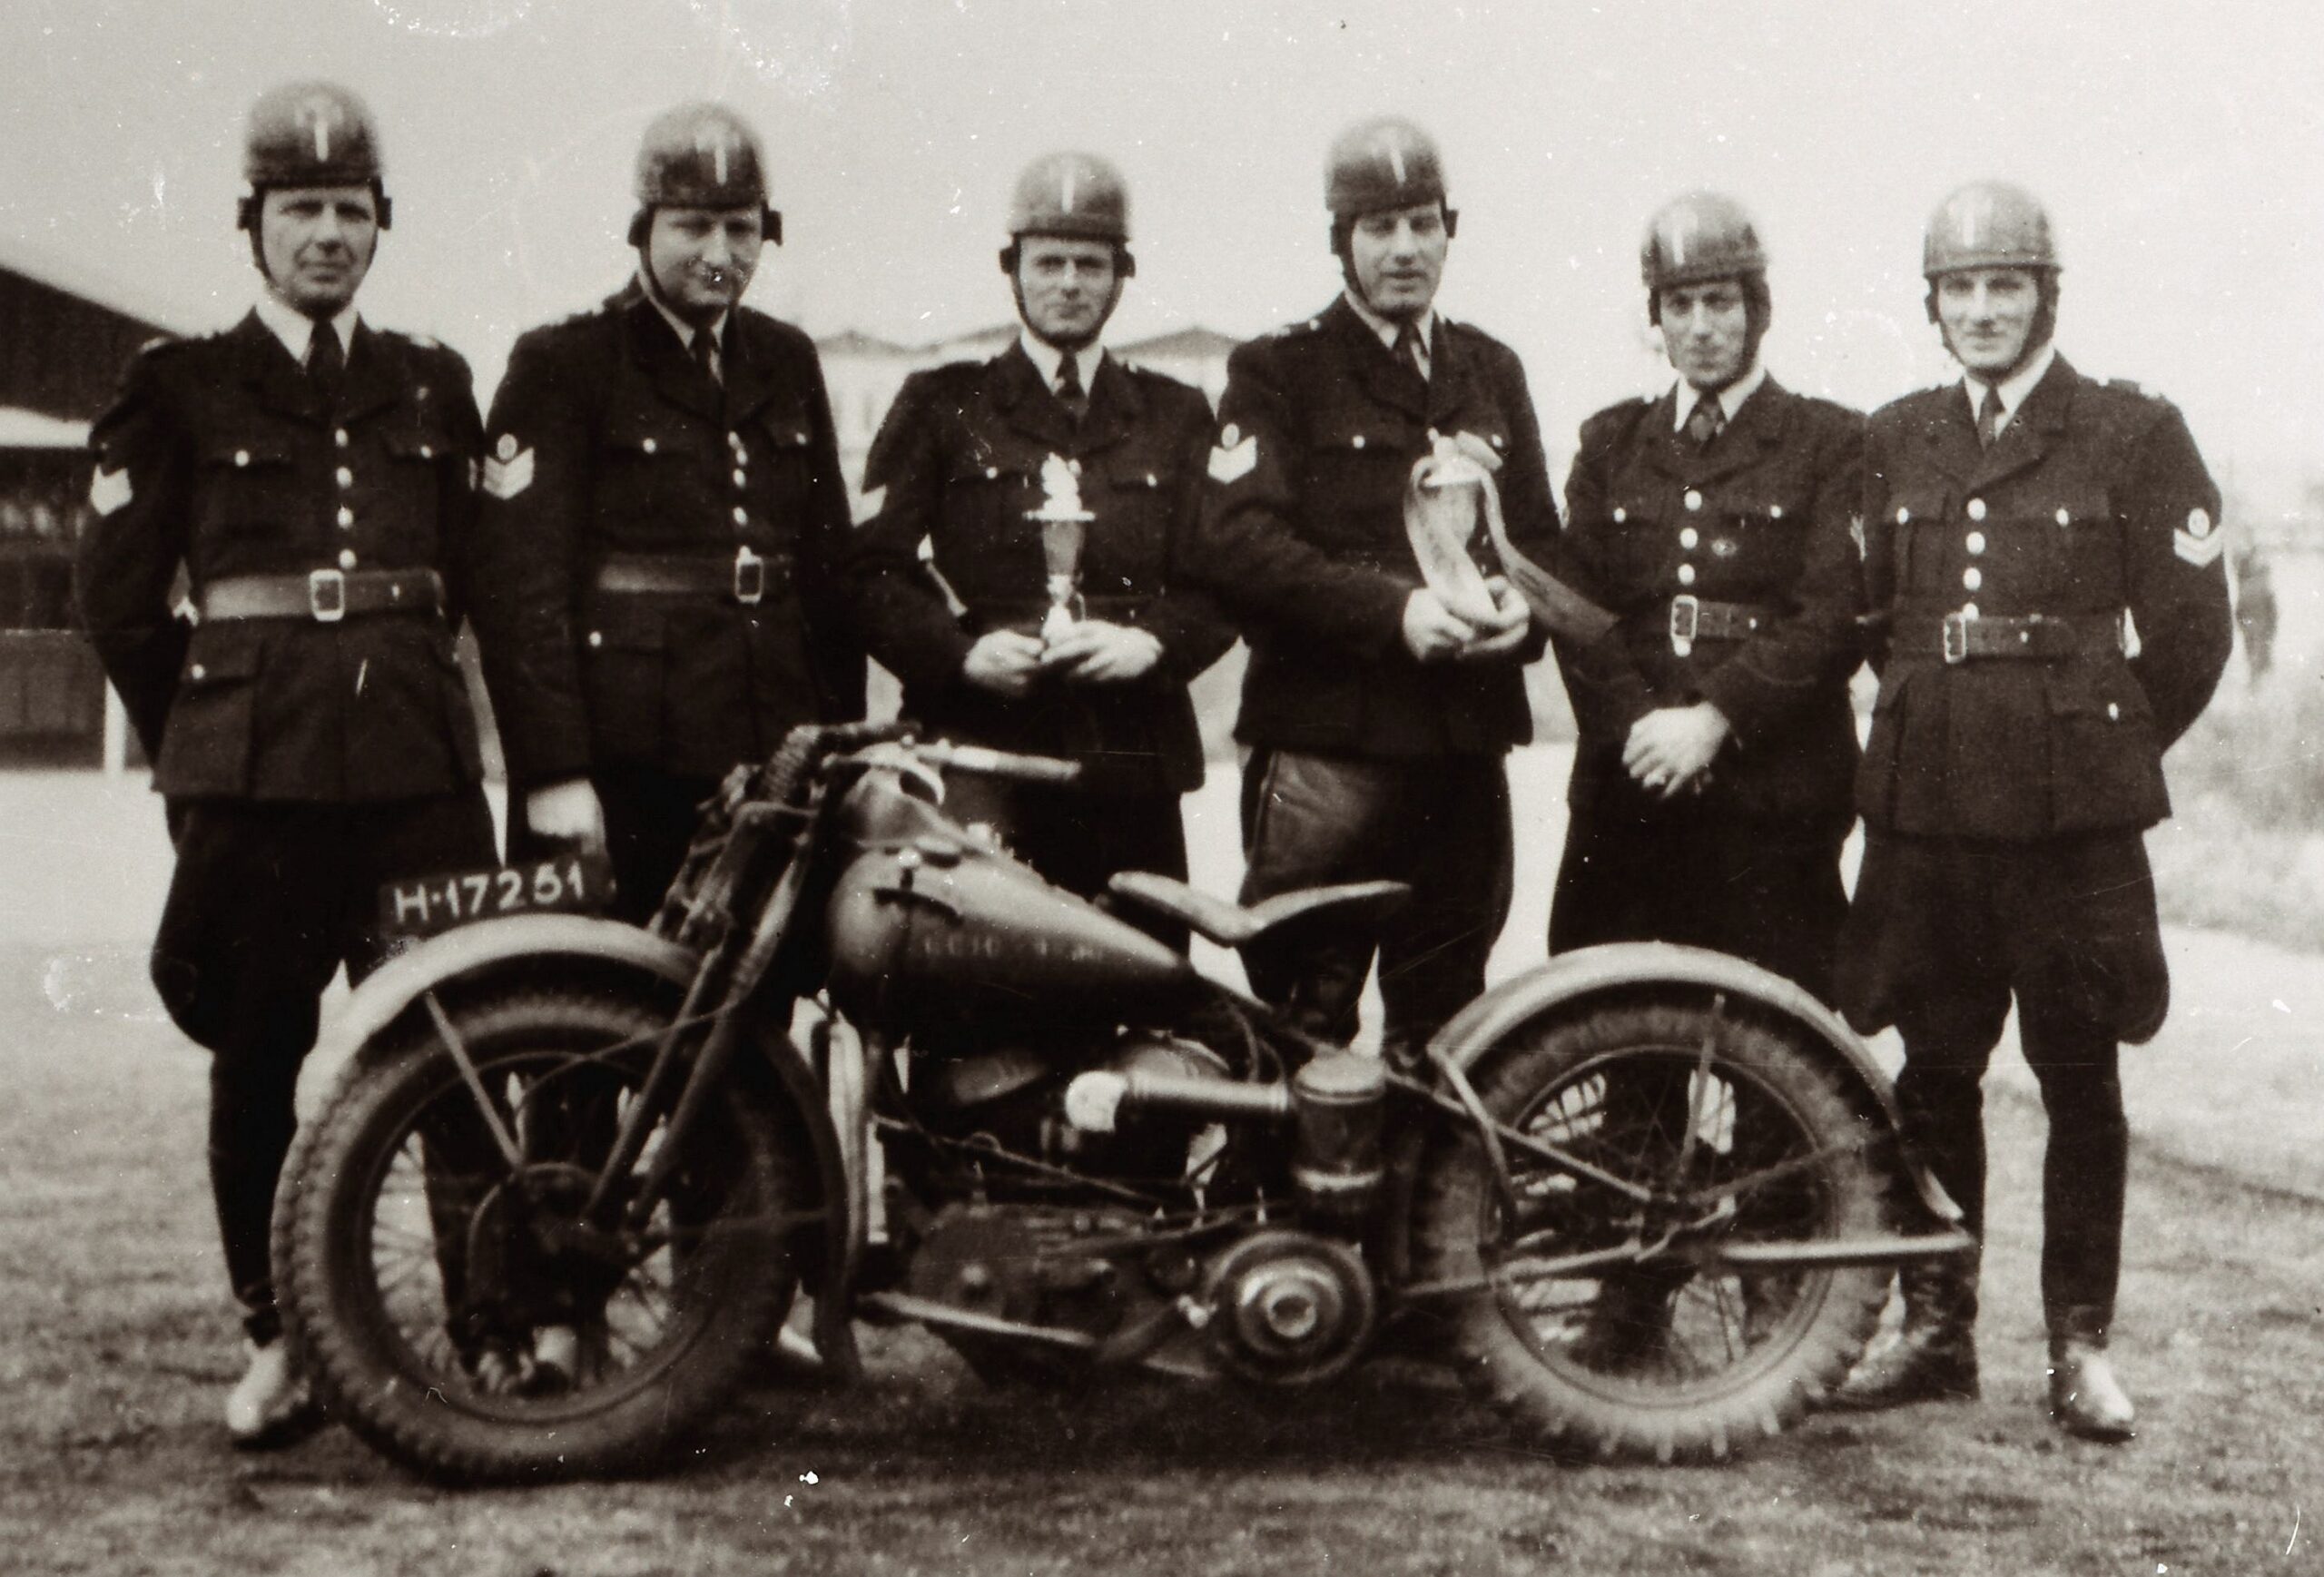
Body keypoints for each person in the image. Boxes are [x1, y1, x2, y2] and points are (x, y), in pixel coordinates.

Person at [76, 83, 497, 1445]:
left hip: (420, 780)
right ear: (251, 224)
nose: (328, 234)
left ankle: (490, 1332)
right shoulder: (178, 386)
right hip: (255, 788)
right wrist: (208, 743)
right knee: (257, 1055)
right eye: (301, 208)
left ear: (382, 224)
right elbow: (121, 605)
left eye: (351, 210)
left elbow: (476, 580)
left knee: (463, 1046)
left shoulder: (432, 380)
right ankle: (279, 1338)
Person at [1834, 181, 2233, 1440]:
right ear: (1934, 305)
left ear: (2045, 295)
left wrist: (2098, 747)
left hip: (2074, 827)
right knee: (1933, 1073)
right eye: (1959, 289)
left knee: (2080, 1077)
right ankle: (1934, 1332)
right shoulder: (1895, 436)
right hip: (1931, 815)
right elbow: (1864, 621)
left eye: (2005, 285)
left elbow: (2192, 633)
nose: (1982, 310)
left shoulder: (2131, 430)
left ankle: (2079, 1347)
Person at [1196, 114, 1553, 1058]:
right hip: (1330, 753)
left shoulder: (1491, 369)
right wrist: (1395, 613)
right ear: (1340, 241)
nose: (1404, 248)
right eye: (1379, 226)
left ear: (1448, 230)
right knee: (1302, 1029)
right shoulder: (1278, 368)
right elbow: (1239, 544)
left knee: (1446, 1032)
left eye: (1423, 224)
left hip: (1462, 754)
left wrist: (1521, 615)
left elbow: (1540, 546)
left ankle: (1421, 1166)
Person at [470, 102, 863, 922]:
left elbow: (830, 577)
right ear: (642, 228)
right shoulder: (565, 363)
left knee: (760, 982)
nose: (721, 253)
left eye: (742, 228)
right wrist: (553, 773)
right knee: (608, 982)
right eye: (693, 226)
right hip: (624, 769)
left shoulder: (786, 360)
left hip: (772, 754)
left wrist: (841, 751)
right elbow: (520, 589)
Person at [850, 153, 1234, 935]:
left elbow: (1224, 576)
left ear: (1121, 276)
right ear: (1013, 271)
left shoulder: (1176, 413)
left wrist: (1151, 645)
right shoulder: (943, 404)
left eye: (1090, 264)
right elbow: (868, 570)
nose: (1068, 283)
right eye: (1048, 262)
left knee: (1138, 979)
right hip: (982, 759)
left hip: (1129, 769)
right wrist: (960, 654)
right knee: (978, 981)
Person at [1551, 192, 1864, 1002]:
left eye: (1720, 302)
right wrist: (1643, 731)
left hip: (1772, 799)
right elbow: (1576, 612)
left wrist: (1714, 718)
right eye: (1678, 305)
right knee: (1605, 1030)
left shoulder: (1830, 442)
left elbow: (1831, 615)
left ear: (1759, 308)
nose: (1699, 327)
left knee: (1775, 1043)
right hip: (1627, 794)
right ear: (1655, 316)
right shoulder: (1610, 442)